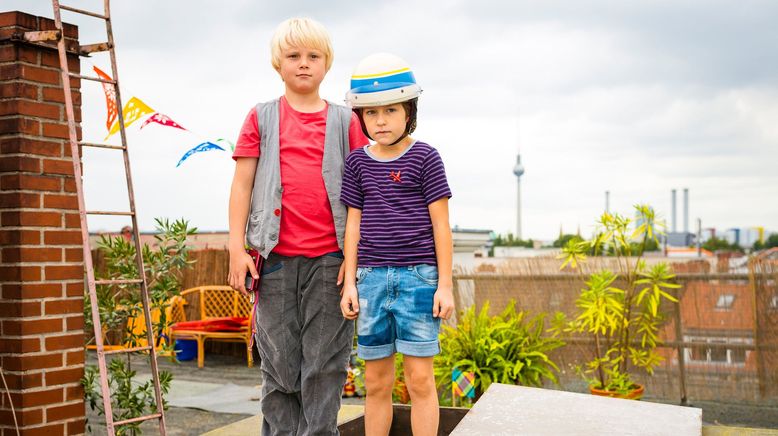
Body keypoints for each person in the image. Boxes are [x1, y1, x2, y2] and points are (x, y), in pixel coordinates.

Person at [226, 17, 369, 435]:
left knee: (324, 366)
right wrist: (237, 249)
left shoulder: (347, 123)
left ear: (327, 65)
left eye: (313, 56)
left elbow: (363, 197)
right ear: (278, 64)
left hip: (331, 263)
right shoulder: (261, 118)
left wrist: (355, 263)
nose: (303, 64)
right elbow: (242, 187)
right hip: (273, 263)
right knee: (280, 367)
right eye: (293, 56)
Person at [339, 53, 455, 436]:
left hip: (419, 283)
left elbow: (441, 226)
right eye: (371, 113)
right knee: (375, 383)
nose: (381, 120)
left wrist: (445, 285)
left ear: (410, 111)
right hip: (370, 281)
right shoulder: (356, 163)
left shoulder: (426, 157)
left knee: (420, 381)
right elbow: (353, 225)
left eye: (390, 110)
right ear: (361, 118)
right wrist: (352, 283)